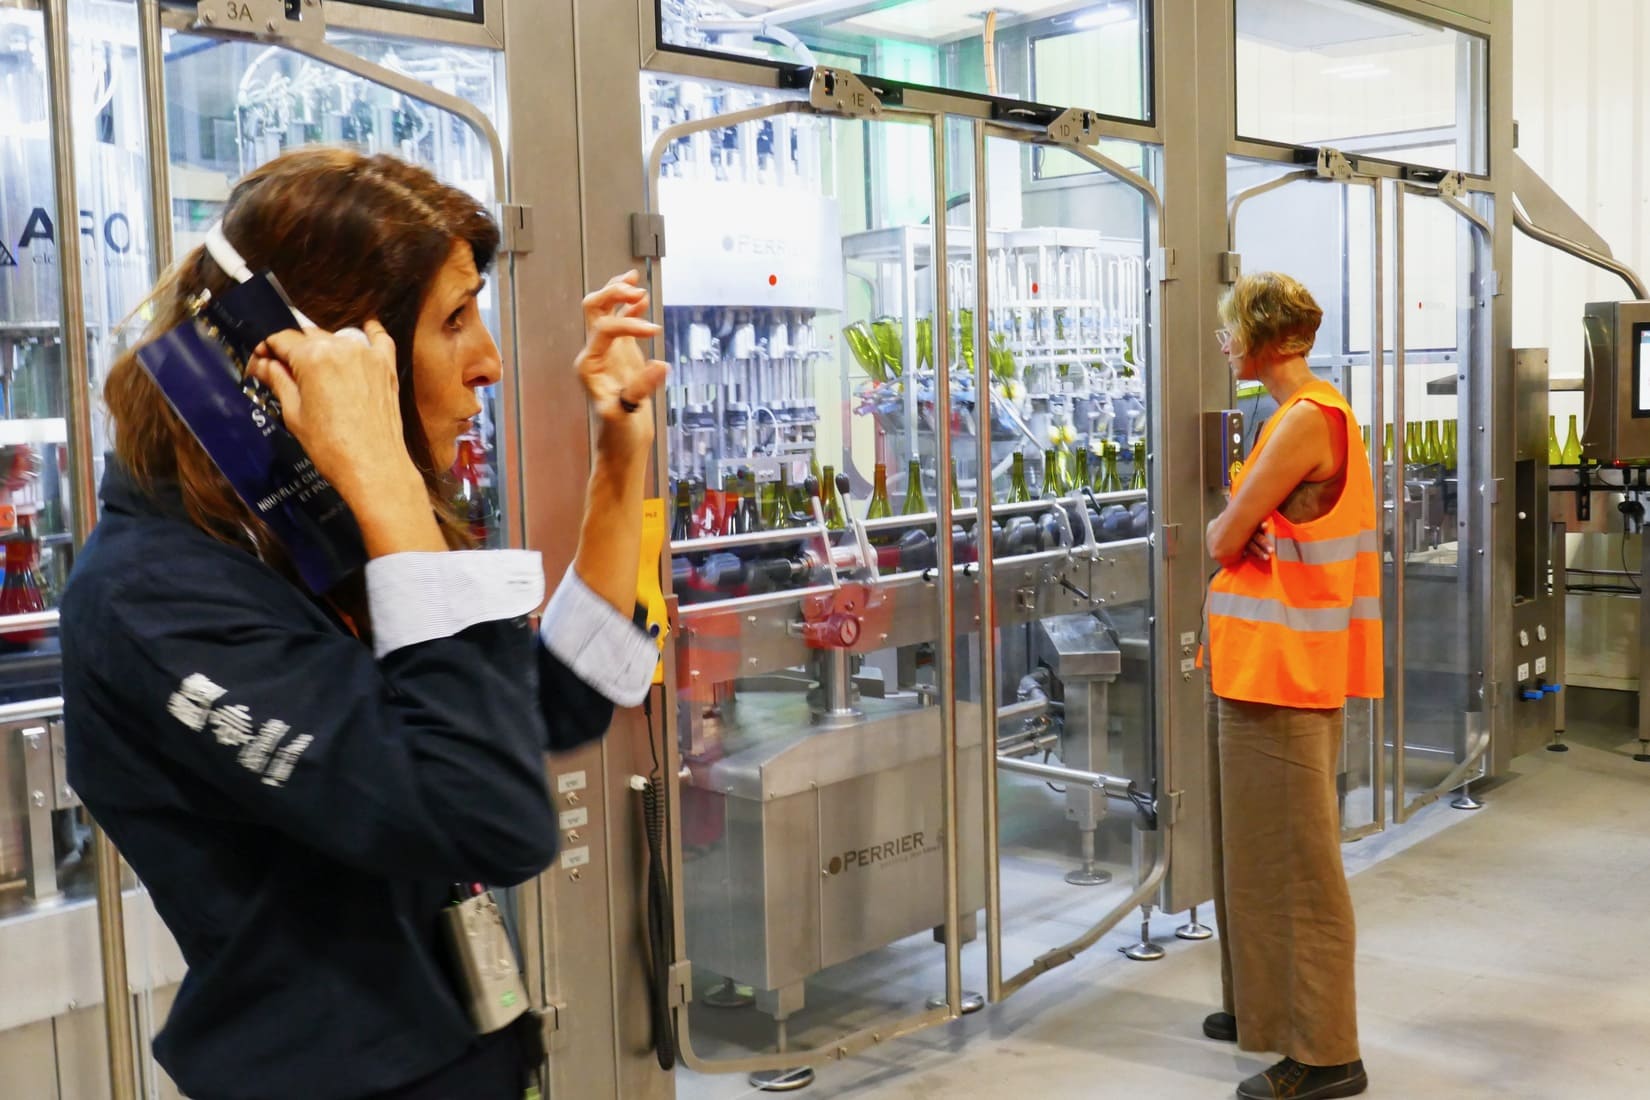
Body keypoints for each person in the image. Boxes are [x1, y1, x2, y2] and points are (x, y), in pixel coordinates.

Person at [60, 147, 667, 1100]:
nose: (491, 363)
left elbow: (557, 704)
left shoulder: (307, 538)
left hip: (469, 1048)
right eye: (455, 319)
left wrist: (620, 457)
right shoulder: (156, 598)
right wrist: (385, 480)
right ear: (329, 354)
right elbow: (492, 818)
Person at [1201, 273, 1383, 1100]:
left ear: (1263, 337)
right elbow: (1258, 529)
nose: (1223, 342)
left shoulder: (1304, 420)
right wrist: (1254, 531)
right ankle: (1261, 1010)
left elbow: (1219, 535)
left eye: (1229, 328)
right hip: (1265, 668)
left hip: (1286, 675)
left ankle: (1325, 1051)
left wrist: (1241, 531)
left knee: (1300, 867)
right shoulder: (1308, 415)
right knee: (1258, 854)